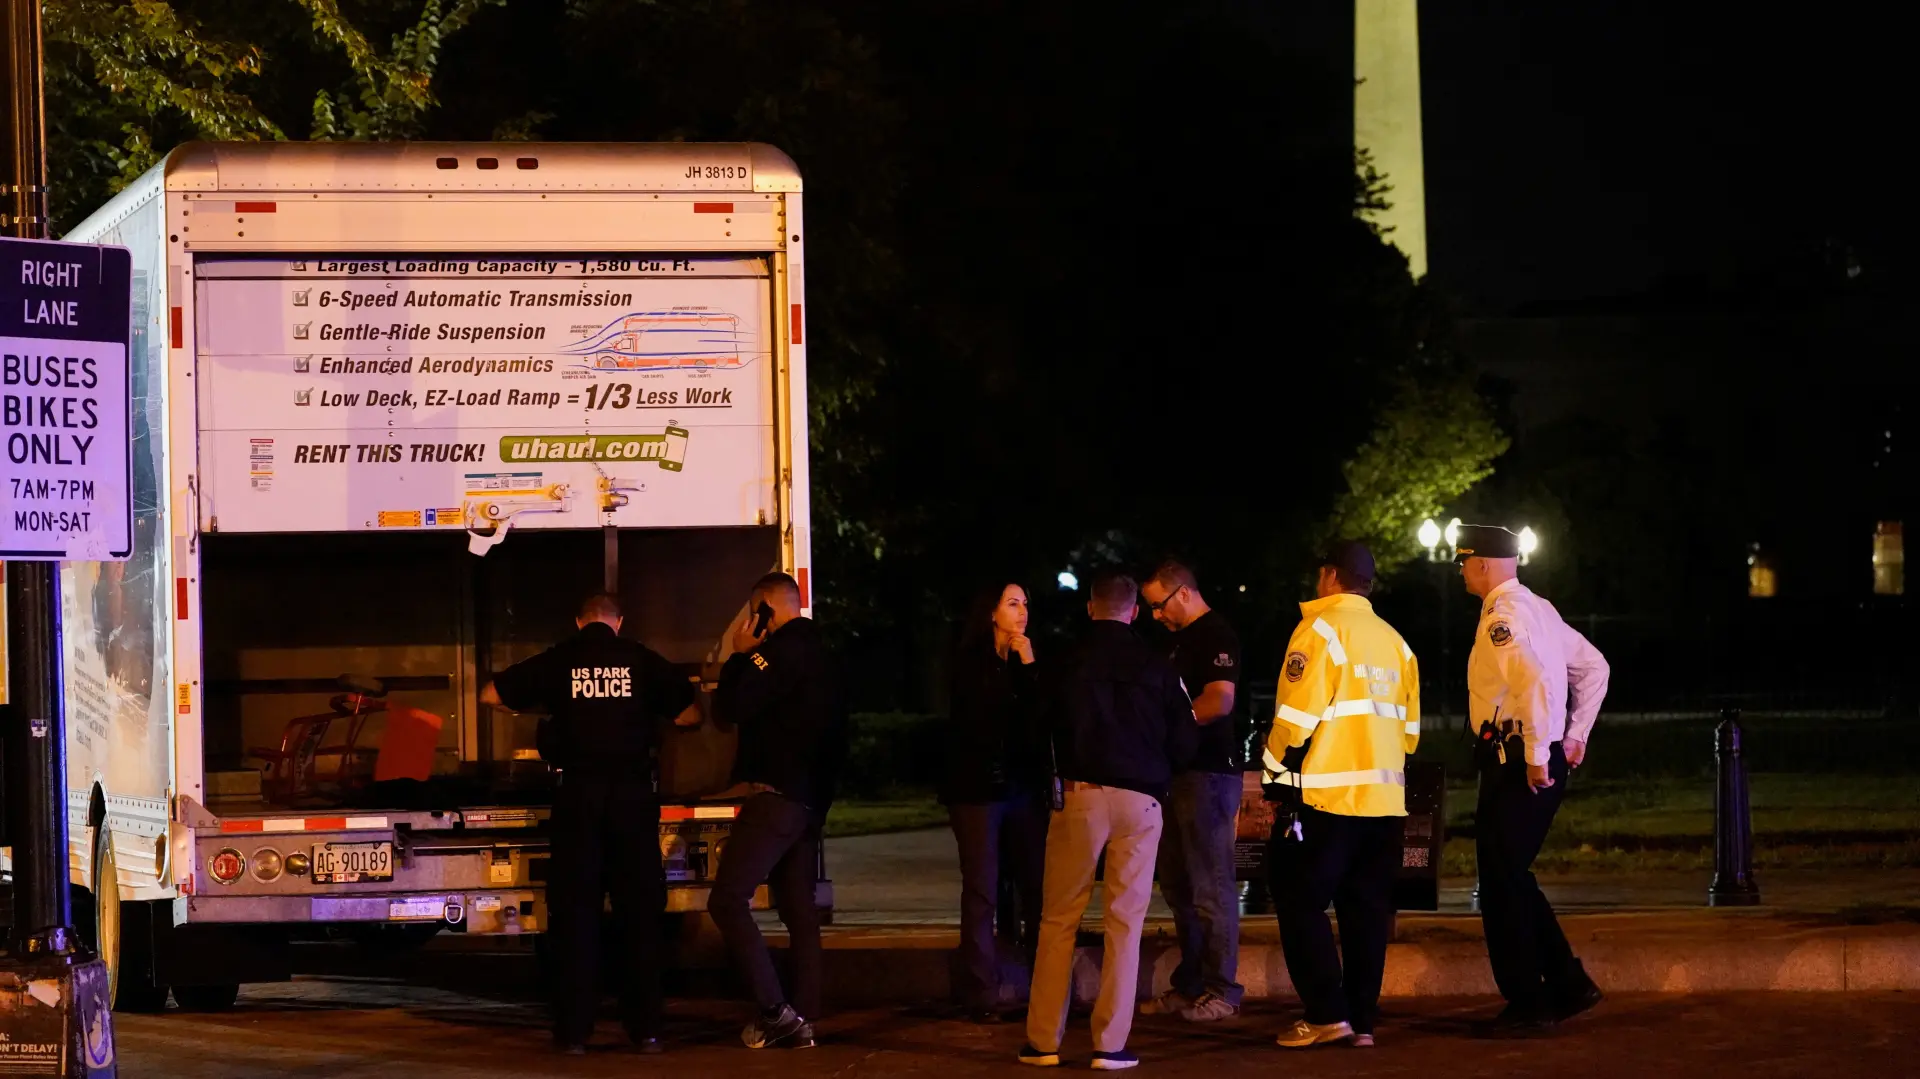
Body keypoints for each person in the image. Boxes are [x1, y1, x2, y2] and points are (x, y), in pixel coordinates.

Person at [479, 592, 701, 1056]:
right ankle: (647, 1031)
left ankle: (575, 1033)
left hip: (577, 797)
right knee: (639, 915)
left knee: (575, 915)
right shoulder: (640, 659)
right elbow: (690, 713)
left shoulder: (561, 659)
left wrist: (556, 711)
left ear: (579, 621)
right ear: (618, 621)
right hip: (633, 798)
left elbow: (490, 695)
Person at [1019, 569, 1198, 1072]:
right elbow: (1185, 742)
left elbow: (1035, 727)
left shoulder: (1065, 661)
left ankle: (1042, 1042)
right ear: (1134, 611)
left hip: (1079, 797)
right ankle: (1109, 1044)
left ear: (1091, 607)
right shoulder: (1159, 666)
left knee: (1058, 919)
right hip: (1141, 801)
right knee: (1126, 923)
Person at [1261, 541, 1419, 1050]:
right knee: (1365, 912)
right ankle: (1362, 1021)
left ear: (1330, 576)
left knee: (1297, 899)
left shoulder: (1319, 630)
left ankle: (1327, 1013)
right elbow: (1411, 734)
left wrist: (1270, 771)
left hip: (1326, 801)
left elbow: (1294, 720)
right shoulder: (1397, 643)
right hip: (1384, 802)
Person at [1455, 524, 1610, 1035]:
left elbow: (1535, 682)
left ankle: (1530, 1001)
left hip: (1515, 759)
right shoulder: (1540, 608)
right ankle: (1564, 982)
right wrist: (1576, 735)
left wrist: (1540, 753)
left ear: (1481, 564)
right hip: (1526, 754)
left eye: (1464, 561)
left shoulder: (1504, 615)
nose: (1460, 570)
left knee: (1501, 882)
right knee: (1510, 875)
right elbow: (1594, 667)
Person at [706, 571, 849, 1050]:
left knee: (726, 901)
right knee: (797, 909)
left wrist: (739, 656)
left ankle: (775, 1011)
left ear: (766, 607)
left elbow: (729, 707)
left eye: (754, 611)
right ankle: (803, 1017)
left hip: (776, 798)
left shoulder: (777, 652)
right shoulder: (824, 655)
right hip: (809, 802)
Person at [1137, 560, 1245, 1022]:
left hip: (1208, 774)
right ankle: (1192, 983)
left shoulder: (1216, 635)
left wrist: (1167, 729)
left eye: (1158, 606)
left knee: (1211, 887)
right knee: (1180, 888)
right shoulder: (1178, 642)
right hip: (1177, 776)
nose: (1155, 616)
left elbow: (1218, 700)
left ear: (1182, 593)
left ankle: (1223, 989)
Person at [942, 582, 1050, 1023]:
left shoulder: (1028, 662)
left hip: (1022, 789)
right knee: (983, 888)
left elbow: (1041, 720)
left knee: (1034, 885)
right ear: (991, 612)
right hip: (977, 792)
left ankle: (1042, 985)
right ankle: (981, 991)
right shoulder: (970, 663)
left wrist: (1028, 664)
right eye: (1012, 603)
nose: (1022, 611)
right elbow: (983, 718)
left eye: (1026, 602)